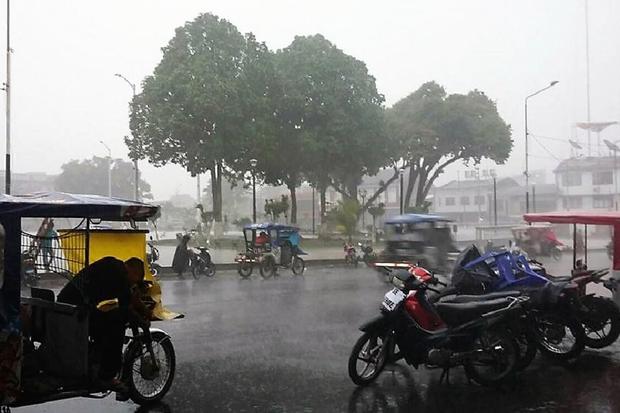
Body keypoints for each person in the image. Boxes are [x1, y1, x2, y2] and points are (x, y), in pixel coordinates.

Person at [57, 256, 150, 391]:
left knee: (108, 318)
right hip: (77, 311)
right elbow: (127, 307)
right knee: (117, 323)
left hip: (67, 304)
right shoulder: (120, 275)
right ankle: (107, 376)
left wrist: (143, 308)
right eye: (137, 279)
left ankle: (94, 362)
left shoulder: (113, 264)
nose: (134, 283)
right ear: (133, 271)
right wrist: (143, 322)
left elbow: (129, 299)